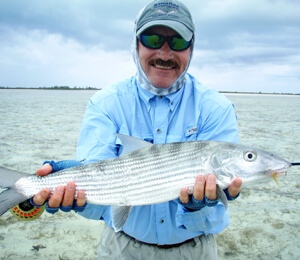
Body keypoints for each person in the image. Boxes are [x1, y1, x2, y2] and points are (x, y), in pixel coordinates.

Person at [32, 0, 242, 259]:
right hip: (121, 248)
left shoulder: (216, 109)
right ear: (136, 43)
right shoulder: (105, 104)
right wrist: (71, 191)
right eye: (152, 39)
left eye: (177, 43)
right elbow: (100, 205)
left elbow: (215, 213)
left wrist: (198, 208)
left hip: (195, 250)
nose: (165, 54)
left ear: (192, 47)